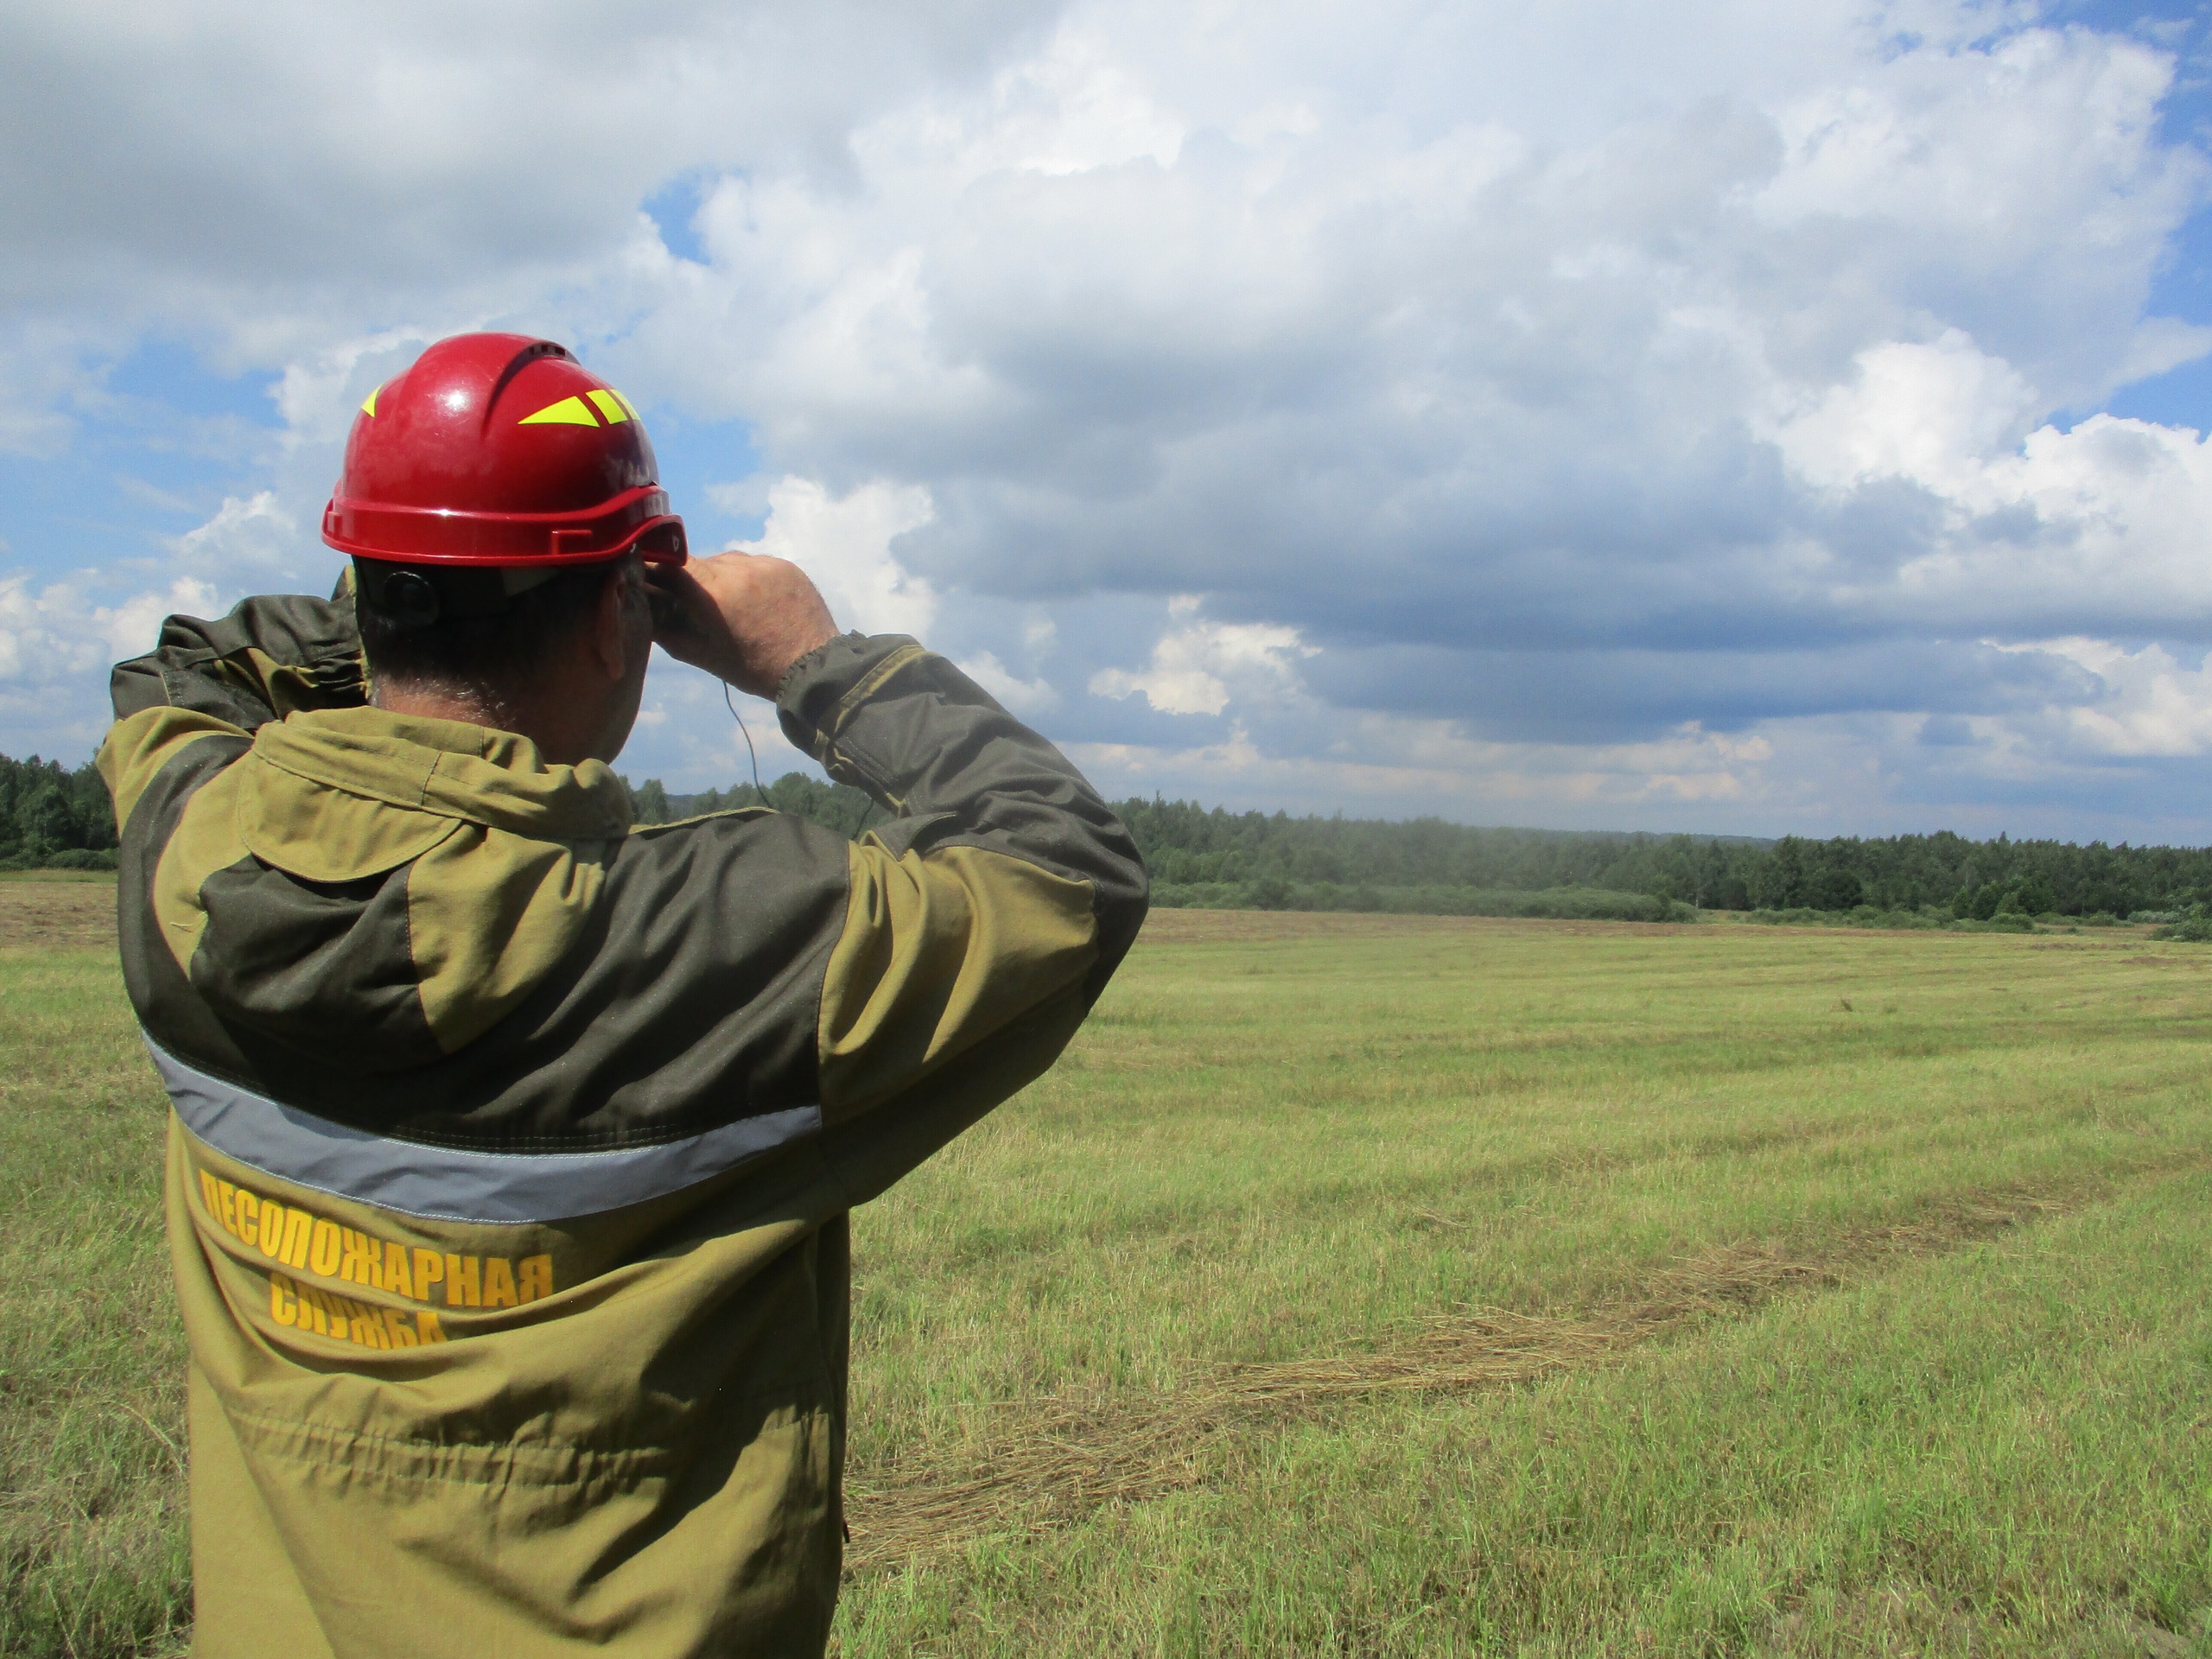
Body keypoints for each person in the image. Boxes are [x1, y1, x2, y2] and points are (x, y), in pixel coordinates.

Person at [96, 332, 1148, 1656]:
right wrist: (814, 658)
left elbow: (189, 669)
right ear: (616, 620)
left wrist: (438, 560)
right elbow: (1067, 866)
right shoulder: (705, 951)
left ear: (372, 598)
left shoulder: (183, 853)